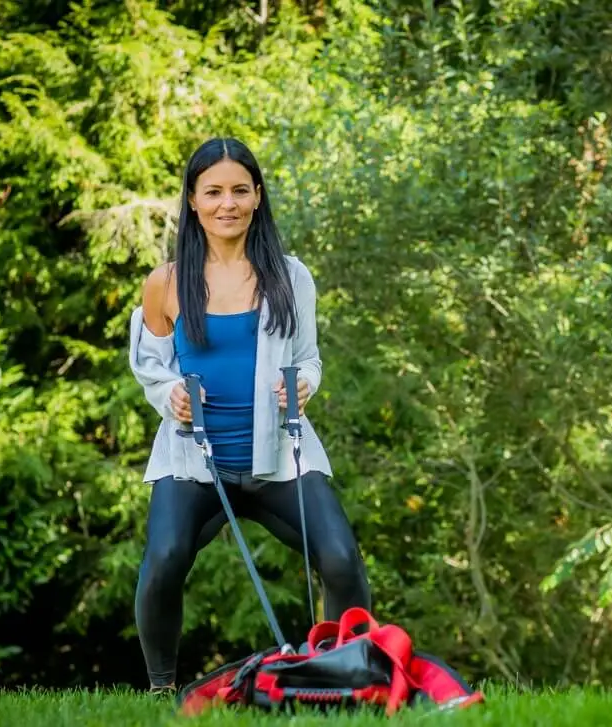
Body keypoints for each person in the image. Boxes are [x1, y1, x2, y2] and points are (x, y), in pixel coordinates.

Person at [128, 137, 372, 693]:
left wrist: (304, 384)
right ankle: (161, 691)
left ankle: (342, 679)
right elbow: (150, 366)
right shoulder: (165, 282)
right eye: (213, 192)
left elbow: (309, 359)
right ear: (193, 201)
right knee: (163, 558)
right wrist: (170, 395)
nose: (227, 203)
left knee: (340, 558)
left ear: (258, 196)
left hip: (278, 457)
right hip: (195, 463)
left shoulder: (291, 276)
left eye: (240, 190)